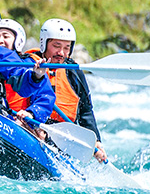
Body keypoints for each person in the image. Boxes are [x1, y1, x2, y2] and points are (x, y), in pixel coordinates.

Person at [31, 18, 107, 162]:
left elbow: (85, 110)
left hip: (62, 136)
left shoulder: (74, 73)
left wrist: (96, 141)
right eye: (56, 46)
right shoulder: (28, 63)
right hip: (32, 126)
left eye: (66, 47)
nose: (61, 52)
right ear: (44, 44)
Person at [0, 18, 54, 136]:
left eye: (5, 36)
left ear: (17, 41)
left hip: (21, 121)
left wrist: (31, 114)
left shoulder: (29, 65)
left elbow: (46, 96)